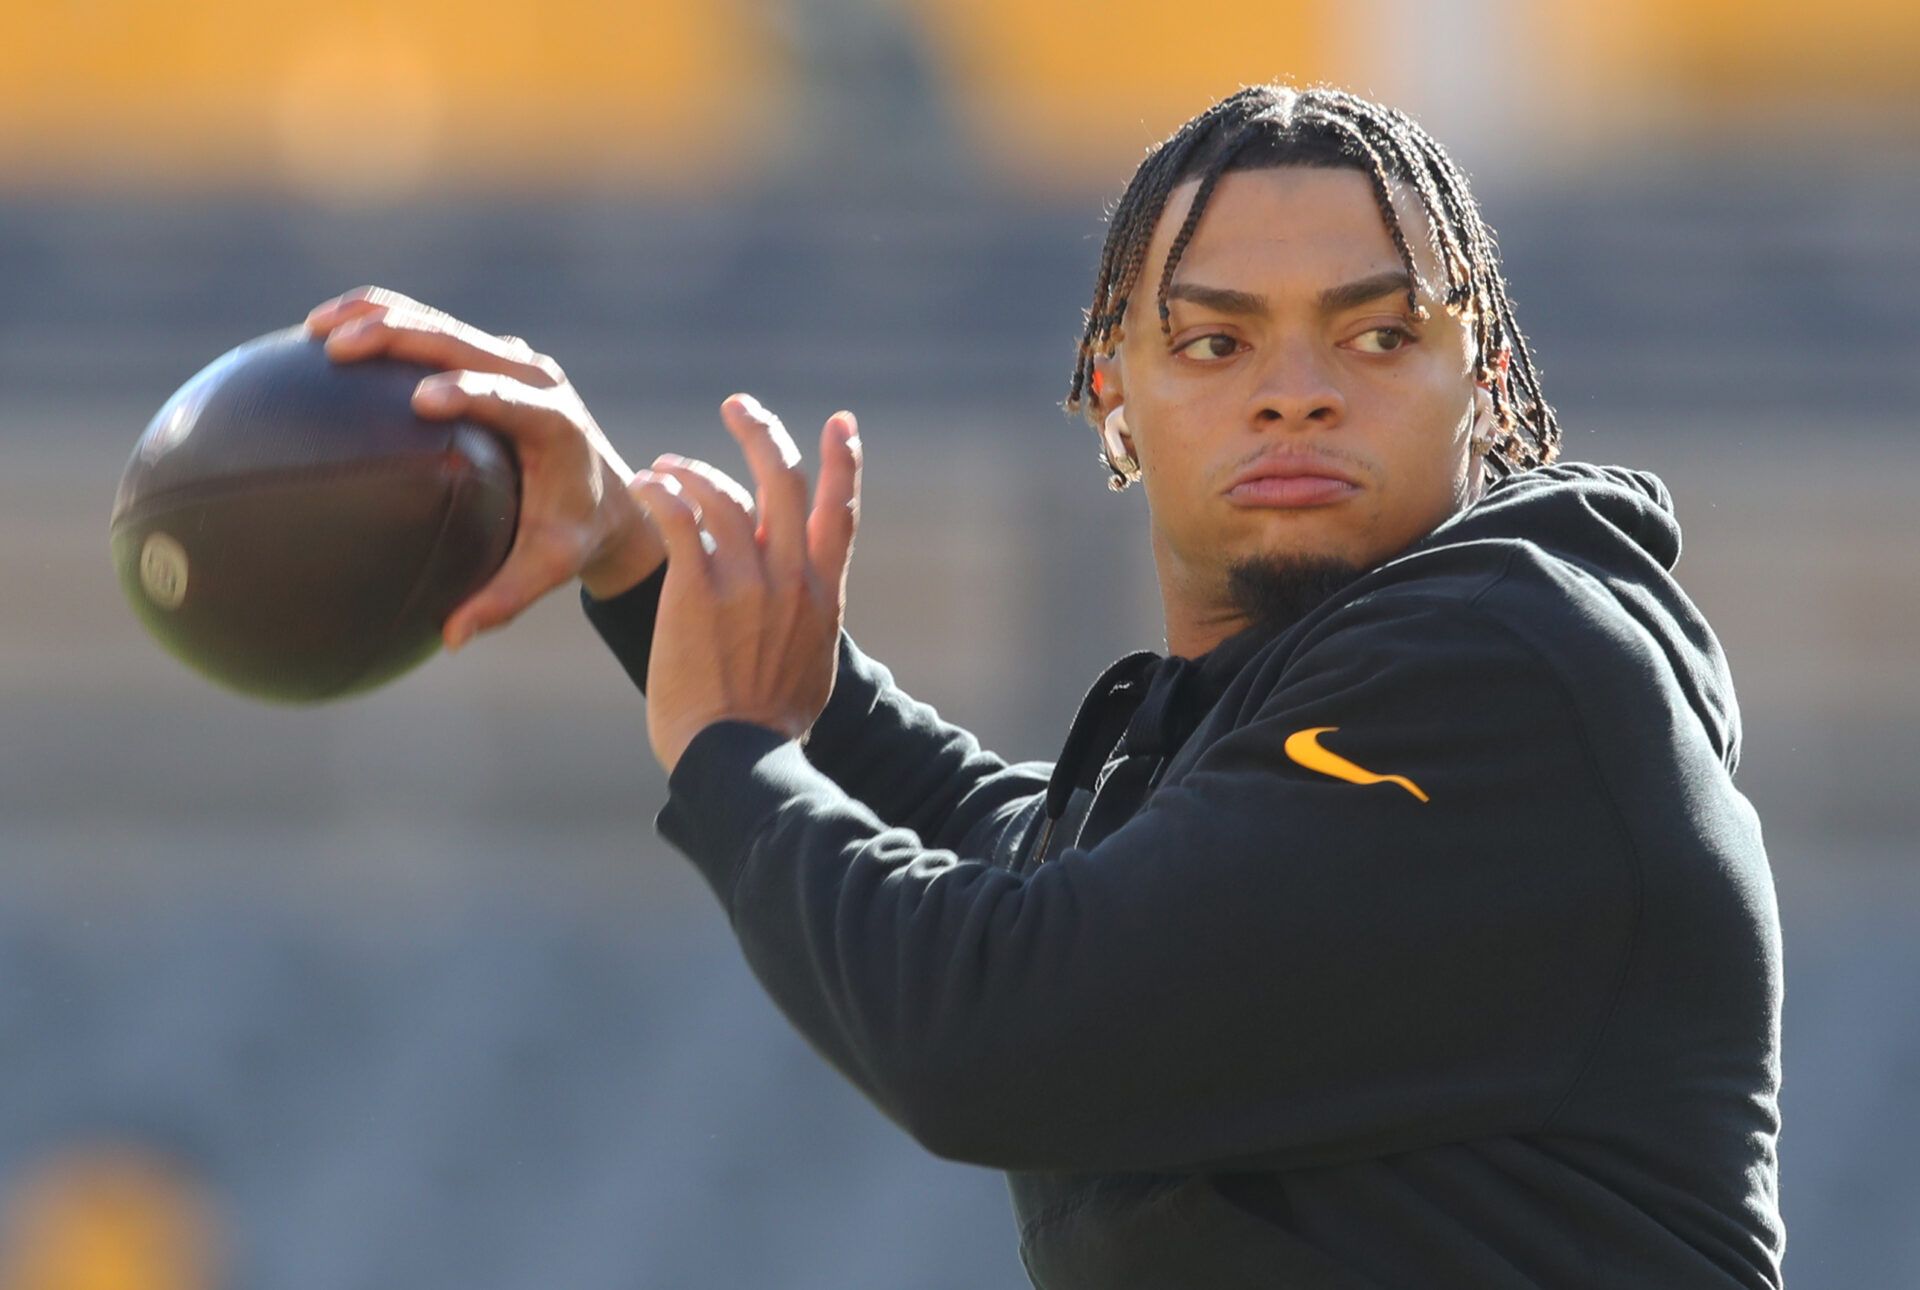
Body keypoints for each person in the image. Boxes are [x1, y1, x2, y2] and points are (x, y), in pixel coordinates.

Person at [304, 84, 1784, 1289]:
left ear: (1494, 380)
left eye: (1381, 332)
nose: (1295, 389)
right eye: (1214, 340)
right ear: (1110, 390)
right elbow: (1033, 858)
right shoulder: (1299, 736)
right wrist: (633, 553)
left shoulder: (1513, 665)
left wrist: (732, 755)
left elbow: (995, 1024)